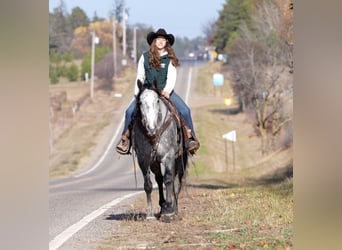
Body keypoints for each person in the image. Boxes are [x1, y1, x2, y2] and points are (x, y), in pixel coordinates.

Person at [116, 28, 200, 155]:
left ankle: (190, 138)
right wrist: (137, 94)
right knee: (129, 112)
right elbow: (140, 76)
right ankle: (125, 139)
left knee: (185, 110)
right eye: (158, 39)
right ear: (154, 41)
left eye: (163, 40)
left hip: (166, 92)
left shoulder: (169, 59)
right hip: (147, 93)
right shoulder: (144, 57)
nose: (161, 42)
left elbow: (172, 77)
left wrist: (167, 91)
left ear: (166, 42)